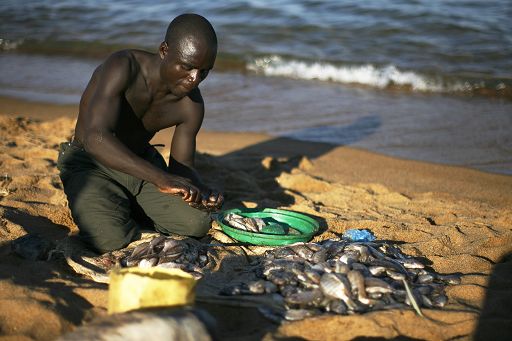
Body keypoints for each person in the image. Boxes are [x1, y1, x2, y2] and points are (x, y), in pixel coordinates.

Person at [57, 13, 224, 253]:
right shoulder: (124, 66)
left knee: (196, 224)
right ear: (164, 50)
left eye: (204, 71)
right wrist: (160, 178)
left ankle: (127, 204)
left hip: (142, 166)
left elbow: (181, 170)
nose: (194, 79)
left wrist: (201, 189)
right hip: (91, 163)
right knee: (111, 240)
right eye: (187, 66)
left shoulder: (192, 106)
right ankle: (115, 205)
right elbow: (95, 138)